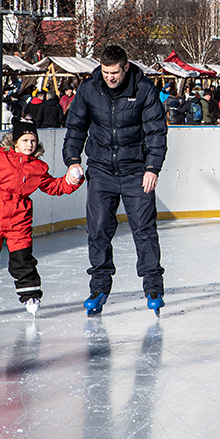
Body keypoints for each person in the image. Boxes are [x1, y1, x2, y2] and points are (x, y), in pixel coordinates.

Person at [64, 44, 169, 317]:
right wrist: (72, 160)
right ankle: (99, 289)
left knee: (144, 230)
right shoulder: (89, 89)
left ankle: (153, 288)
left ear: (126, 68)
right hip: (100, 171)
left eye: (115, 72)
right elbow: (76, 127)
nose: (110, 77)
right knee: (97, 231)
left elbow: (157, 131)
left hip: (136, 172)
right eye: (105, 71)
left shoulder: (143, 88)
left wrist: (152, 167)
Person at [0, 120, 82, 318]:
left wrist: (72, 180)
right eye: (25, 140)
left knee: (22, 260)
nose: (29, 144)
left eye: (33, 140)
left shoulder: (38, 167)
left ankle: (30, 296)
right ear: (15, 142)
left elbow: (54, 187)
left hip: (19, 218)